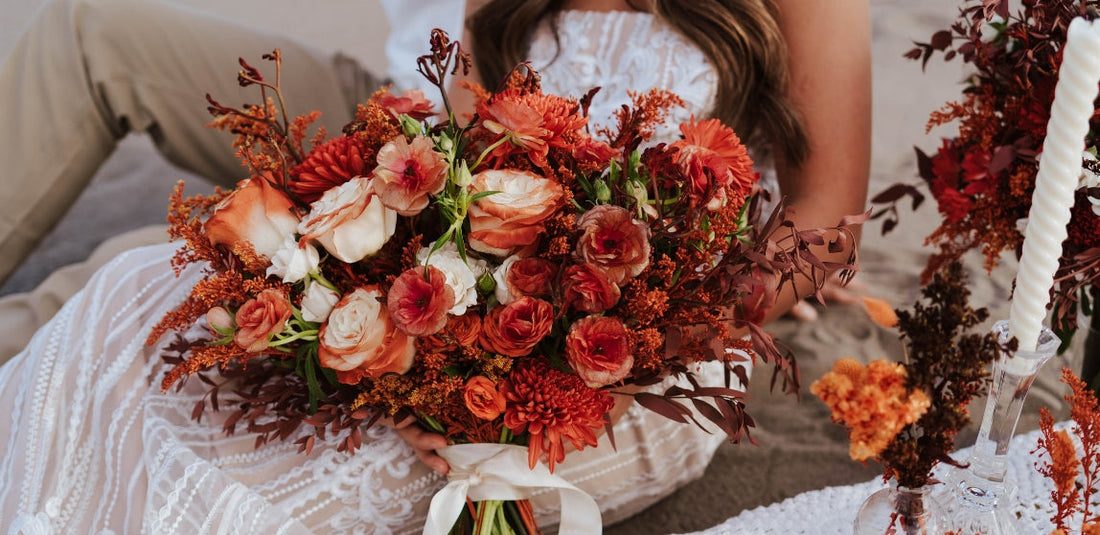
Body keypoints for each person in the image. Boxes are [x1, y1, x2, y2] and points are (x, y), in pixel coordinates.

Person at [0, 0, 870, 532]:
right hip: (480, 303)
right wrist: (425, 363)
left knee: (323, 481)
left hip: (653, 353)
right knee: (146, 322)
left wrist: (667, 324)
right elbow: (457, 157)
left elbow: (825, 221)